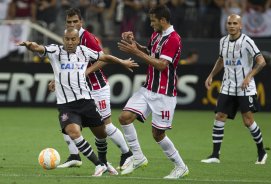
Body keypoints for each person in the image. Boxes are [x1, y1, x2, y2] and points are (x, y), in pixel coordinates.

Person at [17, 28, 137, 176]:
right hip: (66, 105)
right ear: (63, 39)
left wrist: (122, 62)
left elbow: (104, 57)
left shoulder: (85, 51)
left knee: (101, 134)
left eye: (73, 39)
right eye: (67, 39)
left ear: (78, 40)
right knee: (73, 132)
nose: (70, 42)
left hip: (86, 101)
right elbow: (38, 47)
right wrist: (30, 45)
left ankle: (104, 162)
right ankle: (98, 164)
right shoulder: (55, 51)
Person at [48, 8, 134, 172]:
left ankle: (127, 153)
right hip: (82, 90)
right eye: (69, 22)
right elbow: (67, 65)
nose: (72, 24)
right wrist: (57, 79)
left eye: (75, 21)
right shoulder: (70, 38)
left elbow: (103, 59)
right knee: (68, 124)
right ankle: (76, 156)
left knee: (105, 127)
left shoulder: (87, 38)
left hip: (97, 87)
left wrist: (85, 72)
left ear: (81, 22)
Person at [117, 4, 189, 179]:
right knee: (124, 118)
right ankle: (138, 157)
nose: (151, 24)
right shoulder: (157, 35)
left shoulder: (174, 39)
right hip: (148, 88)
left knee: (158, 134)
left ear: (163, 20)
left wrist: (135, 52)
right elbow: (150, 53)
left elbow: (161, 64)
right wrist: (134, 44)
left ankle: (181, 167)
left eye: (153, 21)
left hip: (164, 93)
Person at [201, 14, 267, 164]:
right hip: (227, 86)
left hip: (245, 88)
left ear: (240, 26)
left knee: (248, 121)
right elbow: (221, 60)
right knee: (219, 116)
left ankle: (261, 152)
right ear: (226, 25)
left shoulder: (247, 41)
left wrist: (249, 76)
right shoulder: (223, 41)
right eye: (229, 23)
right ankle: (215, 155)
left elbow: (262, 61)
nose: (231, 26)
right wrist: (211, 75)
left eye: (235, 23)